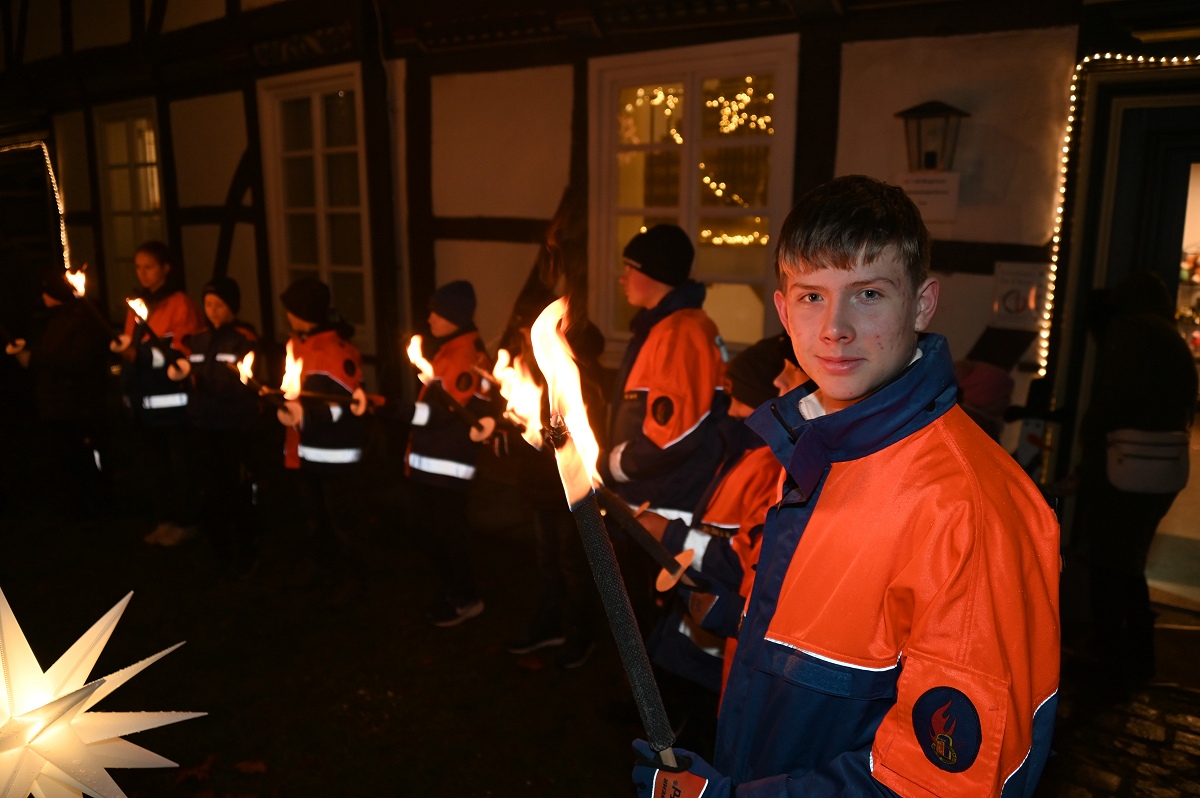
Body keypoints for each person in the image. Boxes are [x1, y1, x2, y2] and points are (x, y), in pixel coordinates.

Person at [633, 175, 1061, 798]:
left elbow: (937, 784)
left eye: (868, 294)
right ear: (784, 312)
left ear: (922, 304)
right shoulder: (818, 450)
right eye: (812, 296)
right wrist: (743, 617)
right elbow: (839, 643)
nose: (835, 328)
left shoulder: (971, 508)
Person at [640, 334, 796, 761]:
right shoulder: (744, 451)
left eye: (739, 397)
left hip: (718, 639)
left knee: (699, 742)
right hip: (695, 629)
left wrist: (671, 536)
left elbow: (740, 558)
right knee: (675, 716)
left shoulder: (770, 467)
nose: (729, 409)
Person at [1075, 270, 1197, 689]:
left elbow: (1110, 403)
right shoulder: (1171, 338)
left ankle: (1113, 654)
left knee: (1110, 561)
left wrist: (1088, 456)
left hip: (1125, 465)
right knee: (1130, 560)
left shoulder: (1127, 333)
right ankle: (1138, 654)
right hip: (1165, 467)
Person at [600, 224, 728, 522]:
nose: (622, 278)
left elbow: (671, 437)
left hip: (666, 503)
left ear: (655, 274)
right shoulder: (663, 327)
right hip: (653, 494)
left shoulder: (681, 333)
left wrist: (610, 465)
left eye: (630, 269)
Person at [503, 317, 606, 668]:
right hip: (541, 491)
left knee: (573, 566)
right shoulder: (547, 383)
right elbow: (534, 431)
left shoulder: (581, 389)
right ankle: (550, 625)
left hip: (569, 498)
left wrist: (526, 443)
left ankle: (580, 634)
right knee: (548, 564)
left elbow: (573, 446)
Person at [401, 280, 496, 627]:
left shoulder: (463, 355)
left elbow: (443, 413)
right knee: (430, 530)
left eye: (437, 313)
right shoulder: (449, 350)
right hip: (435, 460)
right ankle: (454, 591)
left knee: (446, 533)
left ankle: (464, 598)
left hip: (448, 464)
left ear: (455, 316)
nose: (430, 319)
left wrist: (392, 409)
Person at [276, 277, 369, 608]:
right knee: (316, 518)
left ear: (301, 313)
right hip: (306, 451)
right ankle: (322, 568)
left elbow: (343, 405)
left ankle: (353, 580)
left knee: (342, 520)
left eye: (290, 309)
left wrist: (305, 417)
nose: (286, 315)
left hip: (334, 455)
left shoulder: (334, 353)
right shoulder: (300, 345)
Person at [112, 241, 205, 543]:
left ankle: (185, 521)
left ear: (166, 268)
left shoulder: (180, 304)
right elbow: (133, 344)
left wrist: (140, 356)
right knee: (154, 467)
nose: (142, 273)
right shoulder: (138, 306)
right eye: (138, 267)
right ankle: (164, 519)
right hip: (143, 400)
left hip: (172, 401)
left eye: (149, 267)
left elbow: (182, 350)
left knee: (180, 465)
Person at [4, 265, 112, 516]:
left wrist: (34, 358)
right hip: (56, 403)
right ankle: (75, 505)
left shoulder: (81, 320)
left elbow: (77, 360)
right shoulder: (52, 320)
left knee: (82, 456)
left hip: (77, 403)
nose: (42, 296)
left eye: (47, 291)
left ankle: (95, 504)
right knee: (65, 457)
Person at [180, 276, 263, 570]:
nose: (212, 311)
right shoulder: (199, 338)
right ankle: (219, 550)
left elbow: (246, 383)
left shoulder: (243, 338)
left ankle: (246, 548)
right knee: (210, 490)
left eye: (219, 305)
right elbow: (191, 372)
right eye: (208, 304)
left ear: (232, 307)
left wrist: (209, 384)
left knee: (236, 489)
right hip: (204, 425)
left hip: (233, 425)